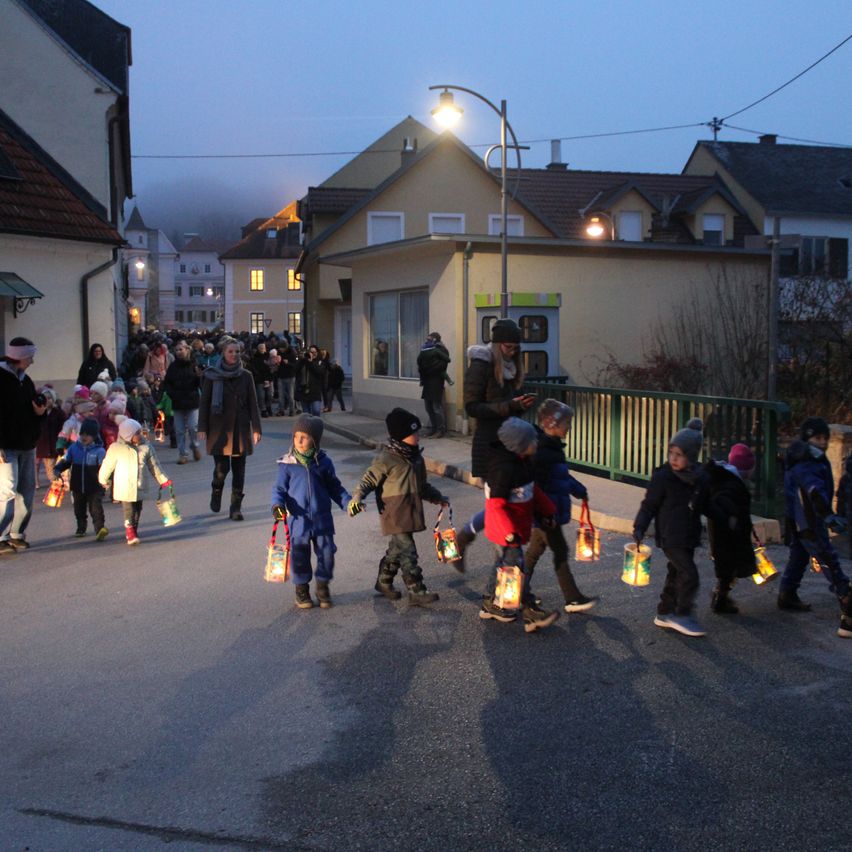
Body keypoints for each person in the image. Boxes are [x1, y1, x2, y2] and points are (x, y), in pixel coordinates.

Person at [455, 318, 536, 567]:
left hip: (511, 443)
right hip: (490, 446)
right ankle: (505, 571)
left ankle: (466, 535)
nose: (512, 352)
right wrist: (509, 406)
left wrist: (520, 406)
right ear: (497, 344)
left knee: (503, 503)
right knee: (500, 505)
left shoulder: (512, 367)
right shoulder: (481, 365)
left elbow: (507, 405)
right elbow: (472, 407)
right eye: (508, 347)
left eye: (516, 348)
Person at [348, 407, 448, 606]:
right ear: (401, 436)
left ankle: (383, 582)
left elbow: (422, 486)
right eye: (413, 433)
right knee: (408, 551)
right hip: (393, 512)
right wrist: (357, 497)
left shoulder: (416, 459)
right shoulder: (386, 459)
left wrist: (437, 497)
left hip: (410, 511)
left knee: (396, 549)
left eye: (417, 432)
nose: (418, 436)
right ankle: (416, 590)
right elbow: (368, 479)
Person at [478, 417, 560, 633]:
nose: (537, 443)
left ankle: (490, 601)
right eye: (533, 440)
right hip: (505, 530)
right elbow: (495, 505)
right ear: (520, 445)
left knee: (501, 564)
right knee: (515, 568)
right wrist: (509, 533)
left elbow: (532, 491)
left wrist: (548, 511)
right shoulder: (503, 469)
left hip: (514, 528)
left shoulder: (524, 463)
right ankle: (530, 611)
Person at [633, 418, 709, 638]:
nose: (674, 459)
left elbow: (706, 505)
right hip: (670, 536)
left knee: (676, 572)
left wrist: (724, 517)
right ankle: (682, 613)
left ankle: (665, 610)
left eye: (680, 455)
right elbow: (649, 505)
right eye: (671, 453)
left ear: (691, 457)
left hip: (689, 534)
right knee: (689, 574)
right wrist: (640, 526)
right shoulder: (663, 477)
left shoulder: (699, 478)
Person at [779, 417, 851, 639]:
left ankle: (787, 592)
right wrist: (826, 514)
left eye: (825, 438)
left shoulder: (805, 458)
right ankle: (846, 597)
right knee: (825, 556)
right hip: (809, 519)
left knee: (800, 554)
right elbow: (814, 490)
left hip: (798, 517)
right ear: (807, 438)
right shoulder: (807, 462)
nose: (822, 442)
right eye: (817, 438)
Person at [270, 415, 352, 609]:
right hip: (299, 521)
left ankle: (322, 587)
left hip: (322, 520)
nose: (299, 440)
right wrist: (277, 506)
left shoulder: (324, 463)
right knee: (299, 556)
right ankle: (302, 590)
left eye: (304, 437)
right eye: (296, 436)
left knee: (327, 554)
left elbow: (335, 488)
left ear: (315, 440)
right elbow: (279, 490)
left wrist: (349, 503)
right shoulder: (287, 465)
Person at [525, 399, 597, 614]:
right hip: (548, 514)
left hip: (548, 513)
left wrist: (578, 490)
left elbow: (561, 477)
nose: (570, 427)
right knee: (560, 551)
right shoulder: (544, 451)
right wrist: (543, 513)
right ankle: (572, 598)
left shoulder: (552, 448)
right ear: (552, 424)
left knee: (533, 553)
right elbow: (537, 485)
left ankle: (513, 590)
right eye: (567, 422)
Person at [197, 339, 262, 521]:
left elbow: (253, 403)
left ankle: (235, 507)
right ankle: (216, 489)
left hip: (240, 427)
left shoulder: (246, 375)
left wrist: (256, 428)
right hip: (219, 429)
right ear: (223, 353)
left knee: (239, 471)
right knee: (221, 469)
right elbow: (204, 403)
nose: (234, 354)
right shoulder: (212, 375)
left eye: (237, 351)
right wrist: (202, 427)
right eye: (230, 351)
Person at [0, 338, 47, 555]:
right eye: (30, 357)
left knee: (26, 492)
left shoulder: (25, 380)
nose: (32, 361)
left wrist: (40, 412)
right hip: (6, 446)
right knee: (7, 491)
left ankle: (17, 533)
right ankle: (1, 535)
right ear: (20, 357)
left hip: (27, 444)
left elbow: (33, 411)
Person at [703, 443, 758, 614]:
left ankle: (721, 596)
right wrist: (733, 516)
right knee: (729, 566)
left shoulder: (725, 478)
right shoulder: (732, 484)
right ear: (746, 469)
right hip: (728, 533)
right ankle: (720, 599)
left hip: (722, 531)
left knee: (727, 567)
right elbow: (725, 501)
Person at [98, 419, 171, 545]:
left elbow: (154, 465)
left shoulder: (146, 447)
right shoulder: (116, 448)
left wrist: (163, 479)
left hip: (140, 484)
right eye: (137, 433)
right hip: (124, 485)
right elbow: (107, 464)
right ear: (128, 436)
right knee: (129, 509)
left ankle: (133, 528)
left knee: (138, 508)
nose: (140, 435)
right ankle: (129, 530)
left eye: (140, 432)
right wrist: (103, 479)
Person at [54, 417, 108, 540]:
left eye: (88, 435)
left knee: (96, 508)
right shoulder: (74, 448)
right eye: (82, 434)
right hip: (77, 485)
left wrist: (106, 480)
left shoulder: (99, 451)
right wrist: (58, 468)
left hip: (95, 486)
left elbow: (105, 467)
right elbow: (66, 461)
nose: (84, 437)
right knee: (79, 508)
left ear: (94, 436)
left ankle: (99, 529)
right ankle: (81, 527)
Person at [163, 339, 202, 464]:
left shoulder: (194, 364)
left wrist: (199, 377)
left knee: (193, 427)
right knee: (179, 430)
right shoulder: (173, 367)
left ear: (187, 350)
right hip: (178, 401)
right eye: (177, 350)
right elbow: (167, 383)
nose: (179, 352)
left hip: (192, 401)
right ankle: (183, 454)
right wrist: (172, 394)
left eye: (181, 349)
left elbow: (200, 383)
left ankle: (194, 445)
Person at [417, 332, 451, 437]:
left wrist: (428, 369)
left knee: (436, 407)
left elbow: (442, 365)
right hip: (427, 381)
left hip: (436, 381)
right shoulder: (427, 349)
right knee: (428, 407)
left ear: (435, 339)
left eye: (429, 339)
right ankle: (434, 428)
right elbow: (421, 361)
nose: (427, 341)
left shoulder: (441, 350)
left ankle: (440, 430)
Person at [35, 388, 64, 488]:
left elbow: (63, 428)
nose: (47, 400)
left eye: (49, 398)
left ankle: (57, 485)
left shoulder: (58, 413)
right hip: (42, 445)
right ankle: (56, 484)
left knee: (52, 470)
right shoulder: (40, 412)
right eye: (45, 398)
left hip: (54, 445)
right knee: (47, 468)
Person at [298, 345, 327, 417]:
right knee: (306, 414)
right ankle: (309, 424)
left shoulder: (320, 362)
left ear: (317, 352)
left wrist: (311, 362)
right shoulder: (304, 362)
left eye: (314, 352)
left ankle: (316, 423)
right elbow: (295, 370)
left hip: (315, 391)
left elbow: (319, 372)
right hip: (304, 391)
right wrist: (302, 359)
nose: (313, 354)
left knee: (316, 410)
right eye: (311, 352)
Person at [249, 341, 273, 417]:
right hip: (260, 380)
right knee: (261, 396)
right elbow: (255, 369)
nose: (262, 349)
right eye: (261, 348)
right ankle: (263, 409)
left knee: (270, 395)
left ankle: (268, 407)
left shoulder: (268, 357)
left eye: (263, 348)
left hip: (269, 379)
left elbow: (272, 368)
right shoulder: (255, 358)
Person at [276, 339, 299, 416]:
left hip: (290, 377)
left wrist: (288, 363)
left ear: (285, 347)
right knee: (281, 396)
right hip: (281, 376)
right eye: (280, 348)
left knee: (291, 395)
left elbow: (295, 365)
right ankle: (281, 410)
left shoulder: (292, 353)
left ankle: (292, 410)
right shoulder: (279, 352)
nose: (280, 350)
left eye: (281, 348)